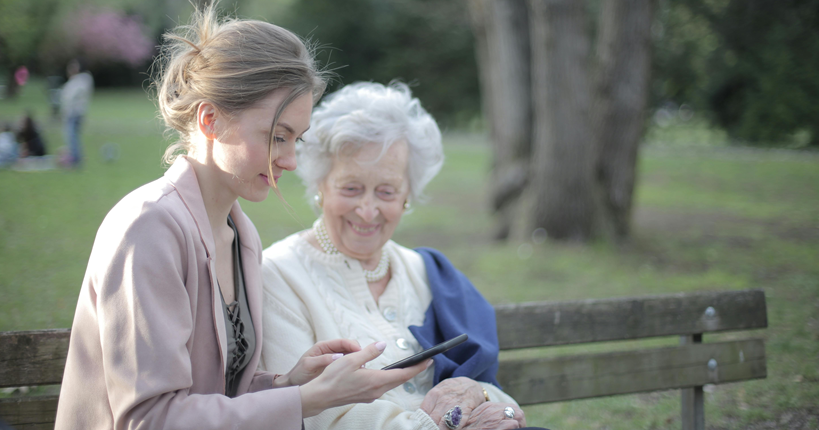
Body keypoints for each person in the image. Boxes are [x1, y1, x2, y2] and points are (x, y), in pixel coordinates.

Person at [55, 6, 427, 430]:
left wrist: (288, 382)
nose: (290, 160)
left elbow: (218, 393)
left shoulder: (240, 233)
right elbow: (150, 418)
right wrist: (304, 400)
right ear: (210, 120)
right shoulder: (148, 228)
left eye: (296, 139)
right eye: (277, 137)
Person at [260, 82, 547, 430]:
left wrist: (485, 399)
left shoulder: (427, 272)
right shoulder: (278, 276)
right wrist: (436, 424)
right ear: (320, 185)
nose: (367, 210)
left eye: (386, 191)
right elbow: (317, 415)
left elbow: (492, 393)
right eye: (351, 188)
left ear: (407, 195)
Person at [60, 57, 93, 166]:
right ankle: (73, 157)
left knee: (72, 136)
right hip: (72, 113)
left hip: (75, 113)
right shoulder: (76, 81)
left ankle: (75, 159)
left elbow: (71, 97)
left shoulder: (82, 80)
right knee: (71, 137)